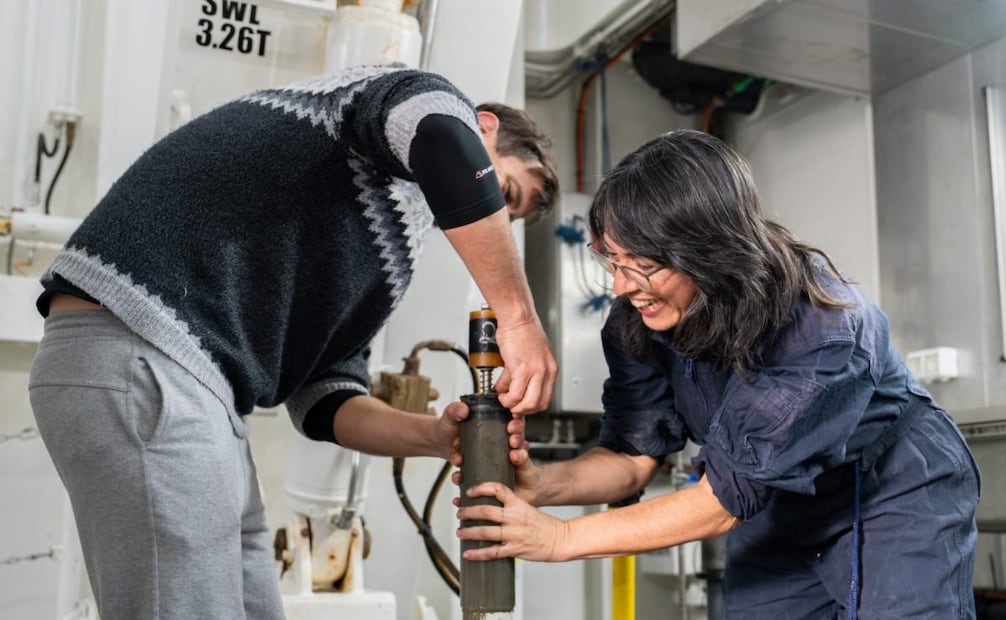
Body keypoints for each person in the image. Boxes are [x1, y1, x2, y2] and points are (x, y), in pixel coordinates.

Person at [27, 64, 559, 620]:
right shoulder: (410, 101)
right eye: (501, 192)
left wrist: (434, 437)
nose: (493, 218)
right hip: (143, 347)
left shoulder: (396, 250)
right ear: (485, 127)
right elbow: (443, 138)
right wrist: (518, 319)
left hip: (200, 387)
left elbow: (324, 396)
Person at [456, 129, 980, 619]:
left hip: (891, 491)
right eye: (610, 260)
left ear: (708, 252)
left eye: (642, 265)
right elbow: (634, 457)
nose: (620, 286)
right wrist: (543, 487)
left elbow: (721, 502)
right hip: (778, 501)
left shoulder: (823, 327)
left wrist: (558, 539)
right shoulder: (638, 319)